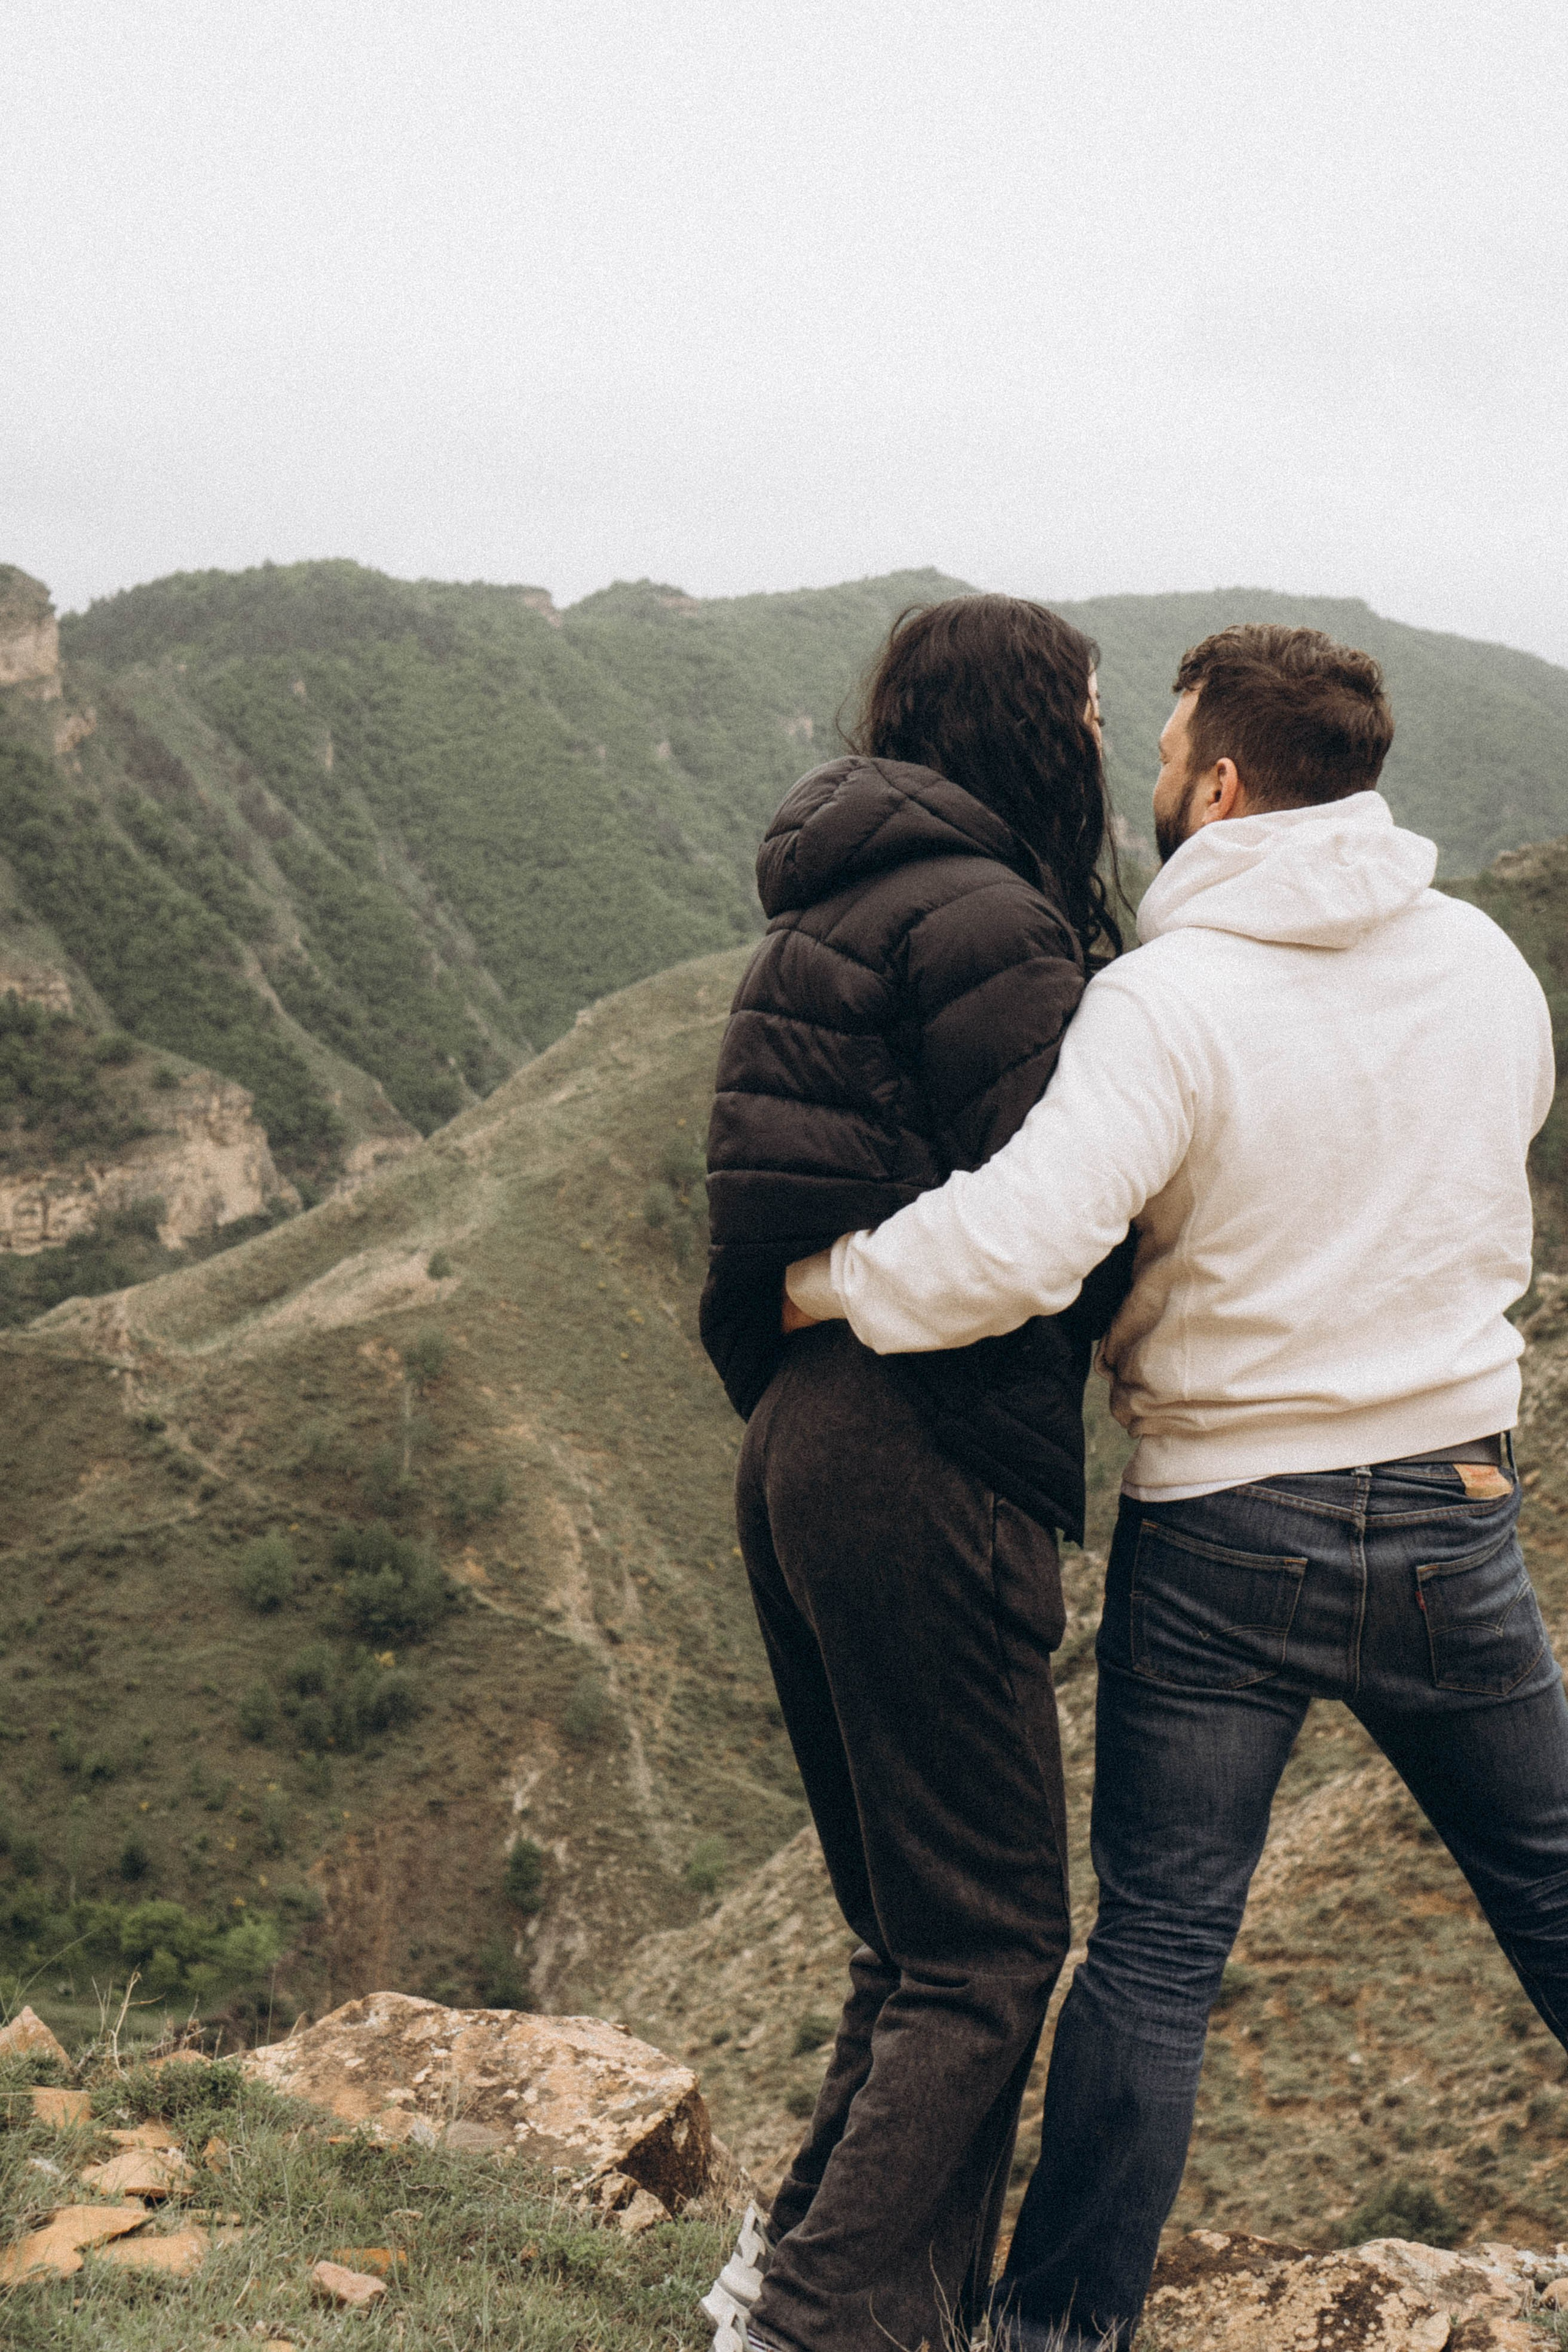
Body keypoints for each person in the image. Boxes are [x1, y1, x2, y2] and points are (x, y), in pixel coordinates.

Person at [783, 622, 1562, 2351]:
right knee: (1557, 1887)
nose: (1145, 787)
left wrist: (819, 1279)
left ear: (1217, 786)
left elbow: (1017, 1248)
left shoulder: (1166, 1001)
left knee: (1156, 1955)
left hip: (1229, 1526)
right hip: (1453, 1501)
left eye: (1163, 761)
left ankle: (1059, 2337)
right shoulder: (1489, 966)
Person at [698, 595, 1134, 2352]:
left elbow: (763, 1220)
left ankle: (825, 2292)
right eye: (1093, 706)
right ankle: (810, 2326)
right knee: (991, 1949)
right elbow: (1065, 1221)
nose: (1108, 738)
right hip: (925, 1445)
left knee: (916, 1938)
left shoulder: (836, 907)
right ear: (1042, 725)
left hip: (801, 1432)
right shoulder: (994, 923)